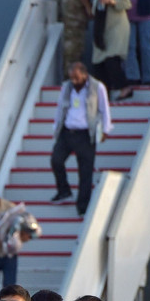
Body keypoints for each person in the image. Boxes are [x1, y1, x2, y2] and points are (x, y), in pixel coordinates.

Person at [49, 63, 113, 216]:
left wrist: (106, 129)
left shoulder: (97, 87)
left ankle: (83, 206)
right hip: (67, 131)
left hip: (85, 134)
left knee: (85, 171)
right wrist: (56, 127)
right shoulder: (67, 87)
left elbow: (105, 109)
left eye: (77, 78)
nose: (74, 81)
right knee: (56, 160)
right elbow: (60, 107)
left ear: (84, 75)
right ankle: (64, 191)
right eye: (72, 78)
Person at [87, 0, 133, 101]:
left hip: (115, 31)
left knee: (111, 60)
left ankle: (124, 87)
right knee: (98, 64)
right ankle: (103, 94)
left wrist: (111, 1)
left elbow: (127, 3)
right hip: (102, 34)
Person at [51, 0, 92, 79]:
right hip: (73, 5)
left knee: (67, 43)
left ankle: (68, 77)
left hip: (61, 2)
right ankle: (72, 79)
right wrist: (87, 5)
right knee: (74, 45)